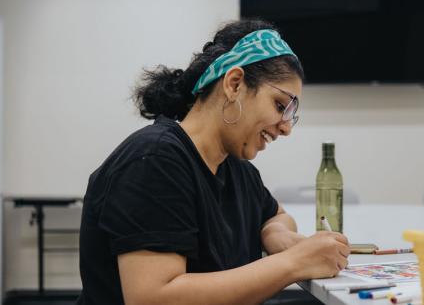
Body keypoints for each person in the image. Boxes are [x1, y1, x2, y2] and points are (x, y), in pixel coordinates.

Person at [76, 19, 350, 305]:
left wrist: (276, 233)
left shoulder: (237, 169)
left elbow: (276, 214)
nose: (286, 128)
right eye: (280, 105)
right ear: (234, 84)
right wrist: (293, 263)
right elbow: (153, 297)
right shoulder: (155, 161)